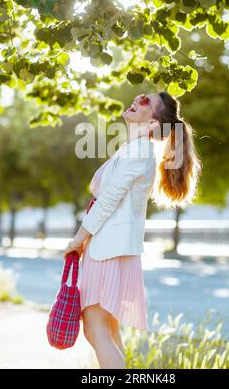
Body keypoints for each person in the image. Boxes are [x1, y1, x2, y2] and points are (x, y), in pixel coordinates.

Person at [62, 92, 202, 369]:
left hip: (108, 250)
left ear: (153, 124)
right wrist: (133, 136)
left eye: (147, 102)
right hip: (109, 247)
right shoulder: (133, 149)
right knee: (108, 331)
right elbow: (96, 185)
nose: (138, 99)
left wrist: (77, 239)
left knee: (95, 329)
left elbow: (106, 202)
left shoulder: (139, 153)